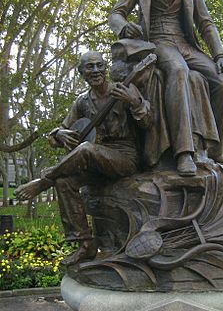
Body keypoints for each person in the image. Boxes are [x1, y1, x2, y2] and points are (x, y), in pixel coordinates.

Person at [109, 0, 223, 176]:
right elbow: (117, 13)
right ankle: (183, 152)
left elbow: (205, 22)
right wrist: (123, 26)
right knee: (179, 71)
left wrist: (220, 54)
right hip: (157, 41)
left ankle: (216, 150)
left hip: (186, 44)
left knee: (221, 82)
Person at [15, 51, 151, 266]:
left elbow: (148, 124)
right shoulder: (82, 102)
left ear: (105, 68)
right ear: (81, 72)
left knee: (86, 149)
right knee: (64, 182)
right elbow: (58, 134)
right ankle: (85, 245)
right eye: (90, 67)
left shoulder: (124, 88)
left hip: (125, 158)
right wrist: (58, 134)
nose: (96, 71)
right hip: (96, 163)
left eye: (99, 65)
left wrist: (134, 102)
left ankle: (44, 180)